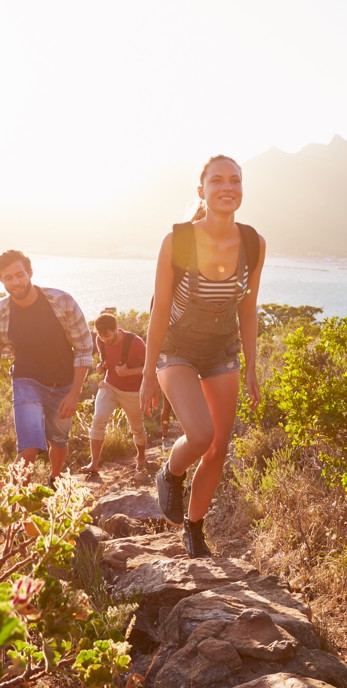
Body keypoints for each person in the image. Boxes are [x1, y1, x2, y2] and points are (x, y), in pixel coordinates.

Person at [141, 154, 265, 558]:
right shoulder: (177, 240)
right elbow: (159, 309)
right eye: (217, 181)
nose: (227, 187)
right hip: (176, 349)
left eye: (235, 180)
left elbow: (248, 309)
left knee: (218, 448)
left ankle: (193, 530)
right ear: (202, 191)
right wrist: (146, 373)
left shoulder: (253, 242)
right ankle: (170, 472)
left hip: (222, 352)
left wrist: (251, 367)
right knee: (200, 434)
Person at [0, 249, 92, 487]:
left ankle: (55, 478)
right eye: (8, 278)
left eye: (19, 274)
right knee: (29, 448)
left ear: (30, 273)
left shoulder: (62, 301)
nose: (15, 282)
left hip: (64, 384)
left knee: (58, 441)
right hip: (27, 382)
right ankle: (14, 509)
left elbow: (83, 349)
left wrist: (74, 394)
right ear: (1, 280)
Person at [82, 312, 153, 479]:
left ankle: (141, 459)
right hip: (110, 386)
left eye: (107, 335)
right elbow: (105, 361)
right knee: (98, 419)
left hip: (132, 392)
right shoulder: (100, 340)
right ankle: (94, 463)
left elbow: (151, 369)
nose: (104, 339)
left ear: (116, 329)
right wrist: (102, 366)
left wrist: (128, 372)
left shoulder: (136, 343)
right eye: (101, 335)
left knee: (136, 428)